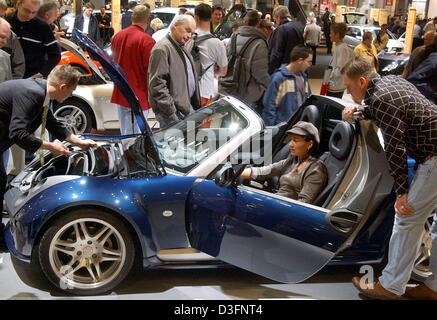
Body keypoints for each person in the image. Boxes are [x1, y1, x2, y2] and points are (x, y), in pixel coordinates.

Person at [342, 57, 437, 300]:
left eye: (350, 87)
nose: (348, 92)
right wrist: (360, 111)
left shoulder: (381, 98)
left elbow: (395, 148)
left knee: (407, 218)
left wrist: (402, 191)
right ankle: (434, 287)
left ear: (362, 81)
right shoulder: (392, 81)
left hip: (434, 156)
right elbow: (391, 108)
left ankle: (391, 286)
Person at [0, 65, 98, 247]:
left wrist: (76, 140)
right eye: (71, 91)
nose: (70, 96)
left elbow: (51, 122)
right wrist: (50, 146)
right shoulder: (32, 94)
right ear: (63, 87)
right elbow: (17, 133)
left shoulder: (41, 91)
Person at [240, 121, 327, 204]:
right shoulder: (293, 160)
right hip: (275, 201)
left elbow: (303, 204)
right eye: (291, 140)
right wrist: (237, 174)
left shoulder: (316, 170)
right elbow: (265, 171)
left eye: (295, 140)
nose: (290, 144)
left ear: (310, 144)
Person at [148, 14, 200, 128]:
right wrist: (172, 113)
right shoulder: (162, 49)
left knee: (189, 143)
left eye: (192, 33)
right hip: (173, 114)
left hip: (184, 110)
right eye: (187, 30)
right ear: (175, 25)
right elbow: (157, 86)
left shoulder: (180, 46)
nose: (189, 36)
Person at [111, 5, 155, 135]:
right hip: (138, 96)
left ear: (132, 17)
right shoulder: (147, 41)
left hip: (121, 92)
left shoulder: (117, 36)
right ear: (148, 20)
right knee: (135, 138)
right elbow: (150, 72)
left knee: (125, 134)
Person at [220, 11, 269, 108]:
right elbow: (259, 72)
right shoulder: (259, 43)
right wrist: (268, 84)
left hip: (228, 86)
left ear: (245, 22)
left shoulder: (234, 36)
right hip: (248, 93)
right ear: (258, 23)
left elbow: (227, 60)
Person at [7, 0, 61, 78]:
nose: (29, 16)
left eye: (34, 12)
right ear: (18, 4)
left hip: (33, 79)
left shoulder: (43, 26)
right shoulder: (6, 22)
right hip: (8, 77)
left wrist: (42, 73)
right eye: (27, 11)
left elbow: (55, 55)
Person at [262, 45, 312, 126]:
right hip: (282, 128)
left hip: (298, 127)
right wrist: (270, 135)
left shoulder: (303, 77)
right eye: (309, 61)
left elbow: (308, 100)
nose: (310, 65)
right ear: (300, 60)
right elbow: (269, 108)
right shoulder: (279, 78)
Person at [193, 3, 227, 107]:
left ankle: (191, 124)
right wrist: (214, 69)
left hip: (188, 91)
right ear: (211, 17)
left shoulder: (187, 38)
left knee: (190, 121)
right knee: (203, 122)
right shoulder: (217, 43)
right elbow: (223, 72)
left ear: (196, 18)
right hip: (205, 91)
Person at [268, 5, 304, 74]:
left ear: (278, 17)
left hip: (283, 71)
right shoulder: (298, 27)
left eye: (275, 20)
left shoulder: (281, 29)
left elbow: (276, 54)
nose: (275, 23)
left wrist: (270, 72)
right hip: (296, 68)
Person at [326, 22, 354, 98]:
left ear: (337, 34)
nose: (329, 35)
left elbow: (340, 68)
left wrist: (330, 79)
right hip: (334, 84)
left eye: (331, 33)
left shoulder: (342, 48)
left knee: (333, 108)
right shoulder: (339, 47)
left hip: (336, 85)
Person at [0, 17, 11, 82]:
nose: (5, 42)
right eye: (2, 37)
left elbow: (7, 87)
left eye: (7, 39)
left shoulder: (5, 57)